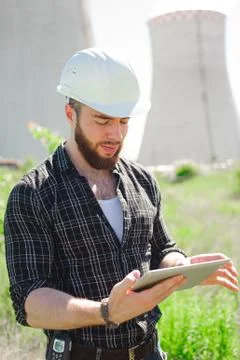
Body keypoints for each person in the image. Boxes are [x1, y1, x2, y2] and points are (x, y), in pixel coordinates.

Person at [4, 47, 239, 360]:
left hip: (148, 351)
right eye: (102, 120)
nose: (115, 134)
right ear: (70, 113)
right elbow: (29, 302)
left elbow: (162, 249)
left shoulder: (142, 180)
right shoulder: (32, 193)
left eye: (123, 121)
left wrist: (181, 267)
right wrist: (106, 311)